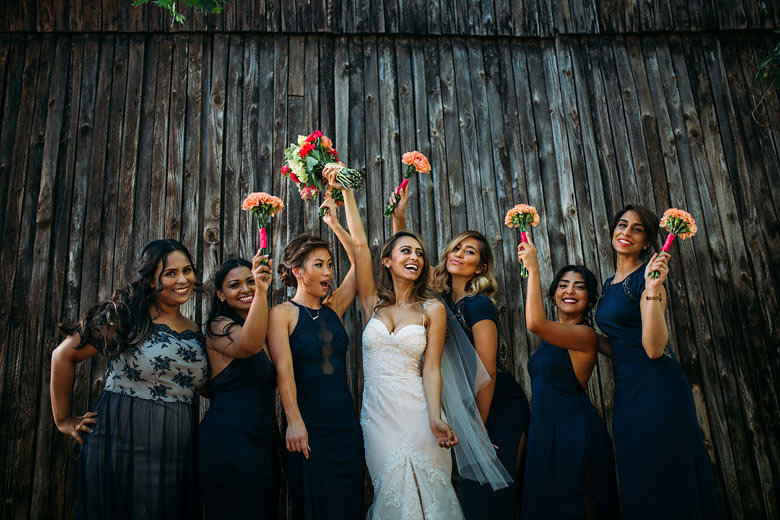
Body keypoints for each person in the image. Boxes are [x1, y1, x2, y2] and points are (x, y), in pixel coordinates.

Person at [331, 166, 463, 519]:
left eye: (420, 254)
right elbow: (359, 244)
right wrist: (346, 191)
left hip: (419, 412)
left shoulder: (432, 309)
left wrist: (435, 417)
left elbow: (432, 368)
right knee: (389, 491)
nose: (415, 258)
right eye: (406, 251)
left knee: (426, 498)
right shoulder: (372, 302)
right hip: (377, 416)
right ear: (387, 261)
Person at [391, 186, 529, 518]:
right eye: (457, 248)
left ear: (480, 268)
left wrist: (477, 429)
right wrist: (398, 217)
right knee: (473, 496)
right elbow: (403, 262)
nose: (458, 253)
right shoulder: (440, 301)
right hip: (468, 409)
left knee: (495, 496)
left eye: (469, 253)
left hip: (497, 406)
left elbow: (488, 369)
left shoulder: (478, 305)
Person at [51, 239, 208, 519]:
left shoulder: (195, 330)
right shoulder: (125, 318)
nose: (182, 279)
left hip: (176, 450)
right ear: (150, 280)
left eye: (187, 270)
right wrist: (64, 420)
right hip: (120, 442)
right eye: (170, 273)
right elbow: (63, 356)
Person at [594, 205, 721, 518]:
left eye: (637, 229)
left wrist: (651, 290)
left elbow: (653, 348)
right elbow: (622, 344)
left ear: (648, 242)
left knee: (666, 475)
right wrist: (584, 338)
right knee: (639, 475)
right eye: (622, 225)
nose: (626, 232)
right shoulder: (609, 284)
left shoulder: (648, 281)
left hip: (658, 389)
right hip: (627, 392)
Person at [266, 197, 364, 519]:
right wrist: (294, 421)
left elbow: (359, 262)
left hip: (344, 422)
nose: (327, 272)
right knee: (314, 506)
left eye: (329, 264)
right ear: (297, 271)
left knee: (347, 502)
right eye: (318, 264)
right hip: (308, 425)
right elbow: (283, 370)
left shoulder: (333, 308)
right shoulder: (281, 314)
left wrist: (334, 224)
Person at [517, 237, 618, 519]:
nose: (570, 291)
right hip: (545, 431)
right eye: (563, 285)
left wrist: (533, 268)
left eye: (579, 286)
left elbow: (535, 323)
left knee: (576, 504)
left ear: (589, 299)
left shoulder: (585, 336)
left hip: (573, 433)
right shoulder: (553, 339)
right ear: (553, 295)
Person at [197, 252, 278, 519]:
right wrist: (263, 293)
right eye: (235, 285)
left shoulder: (263, 328)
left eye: (250, 281)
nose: (246, 289)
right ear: (220, 294)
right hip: (229, 441)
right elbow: (248, 345)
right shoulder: (218, 327)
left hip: (262, 439)